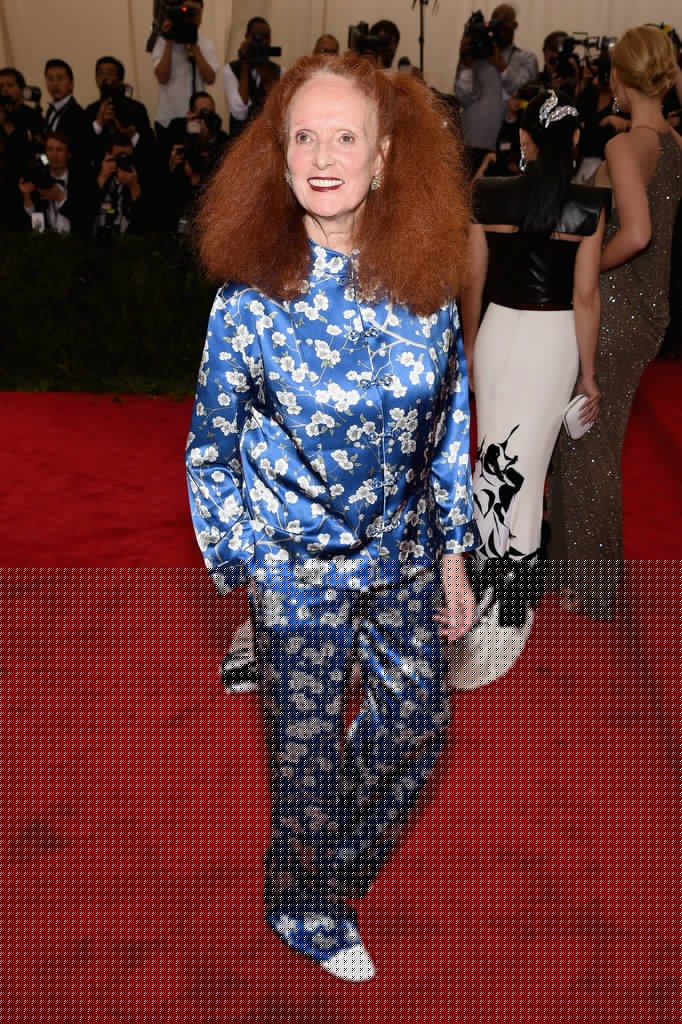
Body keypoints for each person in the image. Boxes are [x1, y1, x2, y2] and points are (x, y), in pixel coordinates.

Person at [186, 53, 476, 981]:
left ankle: (317, 858)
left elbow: (449, 428)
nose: (321, 156)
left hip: (402, 559)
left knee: (418, 728)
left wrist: (453, 556)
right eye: (303, 136)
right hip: (296, 572)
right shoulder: (249, 303)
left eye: (344, 137)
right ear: (278, 155)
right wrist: (250, 564)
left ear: (384, 158)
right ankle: (305, 906)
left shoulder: (424, 284)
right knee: (304, 761)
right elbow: (209, 447)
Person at [454, 89, 609, 689]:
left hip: (497, 331)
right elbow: (586, 297)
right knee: (528, 467)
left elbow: (473, 278)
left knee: (491, 456)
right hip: (553, 341)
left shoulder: (488, 194)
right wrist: (588, 375)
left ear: (524, 140)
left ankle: (487, 578)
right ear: (575, 141)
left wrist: (470, 345)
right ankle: (512, 596)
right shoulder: (589, 206)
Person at [546, 26, 682, 619]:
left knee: (589, 446)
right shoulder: (674, 143)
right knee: (588, 440)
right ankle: (571, 569)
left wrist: (587, 267)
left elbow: (638, 233)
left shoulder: (628, 147)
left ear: (620, 79)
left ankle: (593, 586)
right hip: (647, 308)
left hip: (615, 307)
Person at [455, 4, 538, 176]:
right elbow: (463, 98)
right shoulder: (474, 57)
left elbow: (526, 94)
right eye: (495, 22)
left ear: (515, 25)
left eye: (504, 22)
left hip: (511, 149)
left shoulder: (526, 58)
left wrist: (501, 65)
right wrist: (466, 65)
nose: (499, 28)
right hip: (474, 143)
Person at [152, 0, 218, 133]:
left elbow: (210, 79)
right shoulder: (162, 42)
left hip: (196, 118)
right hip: (168, 118)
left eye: (196, 13)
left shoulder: (206, 44)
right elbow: (162, 78)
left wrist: (194, 44)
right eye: (188, 11)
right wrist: (169, 40)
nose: (192, 17)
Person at [223, 17, 283, 138]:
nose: (261, 41)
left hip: (269, 138)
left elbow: (277, 109)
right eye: (256, 36)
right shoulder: (230, 69)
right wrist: (244, 64)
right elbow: (239, 113)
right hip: (240, 139)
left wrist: (263, 68)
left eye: (265, 37)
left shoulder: (280, 71)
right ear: (246, 37)